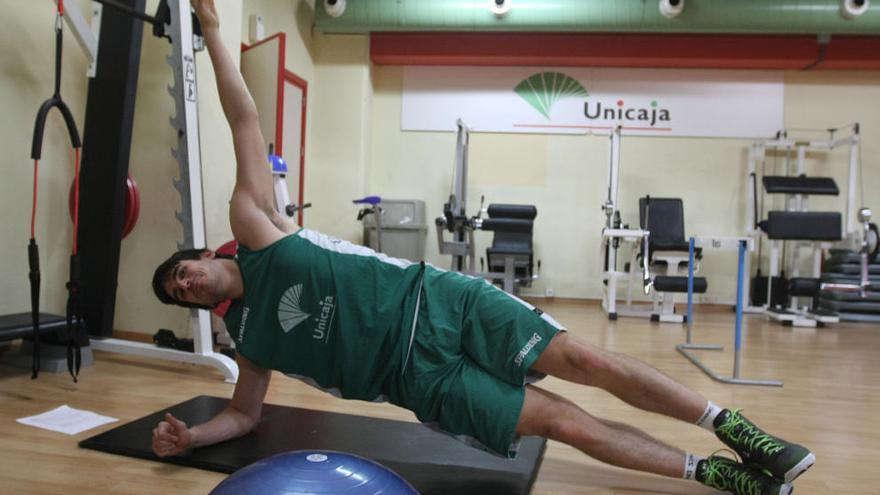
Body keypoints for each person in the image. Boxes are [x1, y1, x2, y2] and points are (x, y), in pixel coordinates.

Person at [151, 2, 814, 494]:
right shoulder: (251, 338)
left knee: (583, 357)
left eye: (183, 270)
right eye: (181, 293)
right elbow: (242, 414)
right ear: (199, 306)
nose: (188, 283)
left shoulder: (257, 226)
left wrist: (212, 33)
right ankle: (717, 473)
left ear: (207, 253)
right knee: (564, 420)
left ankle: (733, 424)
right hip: (419, 379)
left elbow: (245, 118)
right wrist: (191, 435)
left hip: (443, 303)